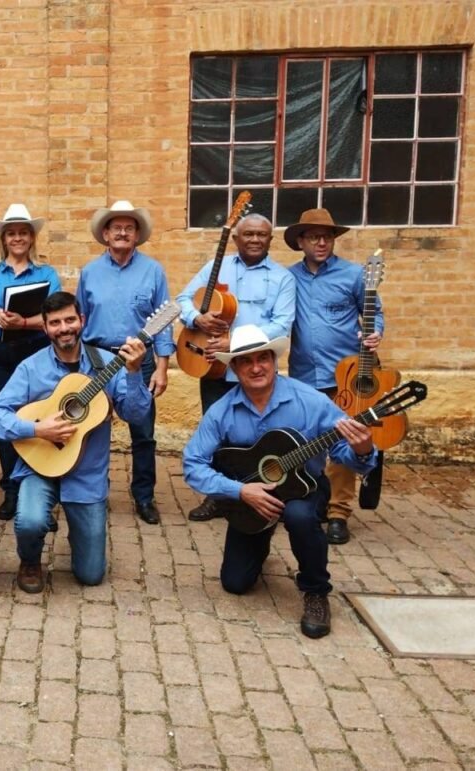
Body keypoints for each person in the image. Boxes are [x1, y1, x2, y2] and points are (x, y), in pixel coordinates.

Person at [182, 325, 377, 638]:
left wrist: (363, 448)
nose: (256, 367)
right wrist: (240, 490)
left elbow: (345, 453)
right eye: (246, 361)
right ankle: (260, 538)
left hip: (305, 488)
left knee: (299, 516)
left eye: (263, 358)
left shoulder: (310, 401)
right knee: (235, 583)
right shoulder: (222, 411)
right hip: (250, 495)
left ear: (274, 361)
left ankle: (315, 591)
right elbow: (193, 464)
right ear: (234, 368)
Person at [0, 291, 151, 593]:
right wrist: (37, 430)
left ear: (81, 320)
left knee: (91, 575)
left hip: (87, 473)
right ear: (45, 327)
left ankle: (81, 532)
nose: (64, 328)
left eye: (70, 320)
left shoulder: (107, 363)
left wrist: (134, 372)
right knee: (29, 522)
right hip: (40, 465)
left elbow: (136, 415)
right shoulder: (31, 368)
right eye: (55, 323)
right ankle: (30, 560)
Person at [176, 213, 296, 522]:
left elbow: (282, 324)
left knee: (260, 436)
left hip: (257, 370)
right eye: (249, 234)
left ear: (270, 239)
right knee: (215, 432)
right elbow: (183, 299)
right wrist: (197, 318)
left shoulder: (282, 278)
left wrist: (238, 343)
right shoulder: (216, 268)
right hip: (214, 366)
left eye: (261, 235)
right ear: (236, 238)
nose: (255, 239)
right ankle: (218, 496)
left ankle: (263, 495)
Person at [286, 209, 384, 545]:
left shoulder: (354, 275)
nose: (322, 242)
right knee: (309, 443)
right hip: (303, 376)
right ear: (301, 241)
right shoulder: (288, 278)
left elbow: (374, 313)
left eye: (327, 236)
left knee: (345, 441)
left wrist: (375, 333)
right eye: (314, 237)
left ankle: (339, 513)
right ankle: (313, 501)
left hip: (346, 376)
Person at [0, 203, 61, 520]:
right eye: (11, 233)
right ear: (3, 239)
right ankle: (12, 489)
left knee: (37, 417)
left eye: (23, 233)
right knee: (5, 416)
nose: (17, 238)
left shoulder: (46, 274)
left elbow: (56, 316)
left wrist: (25, 323)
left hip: (35, 351)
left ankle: (41, 492)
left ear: (32, 238)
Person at [77, 200, 174, 525]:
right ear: (105, 234)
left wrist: (162, 367)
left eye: (128, 228)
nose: (122, 232)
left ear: (136, 234)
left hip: (140, 359)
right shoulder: (89, 272)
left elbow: (164, 322)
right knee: (92, 429)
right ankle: (94, 491)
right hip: (97, 358)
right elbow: (80, 317)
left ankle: (144, 497)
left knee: (143, 432)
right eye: (116, 227)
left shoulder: (153, 271)